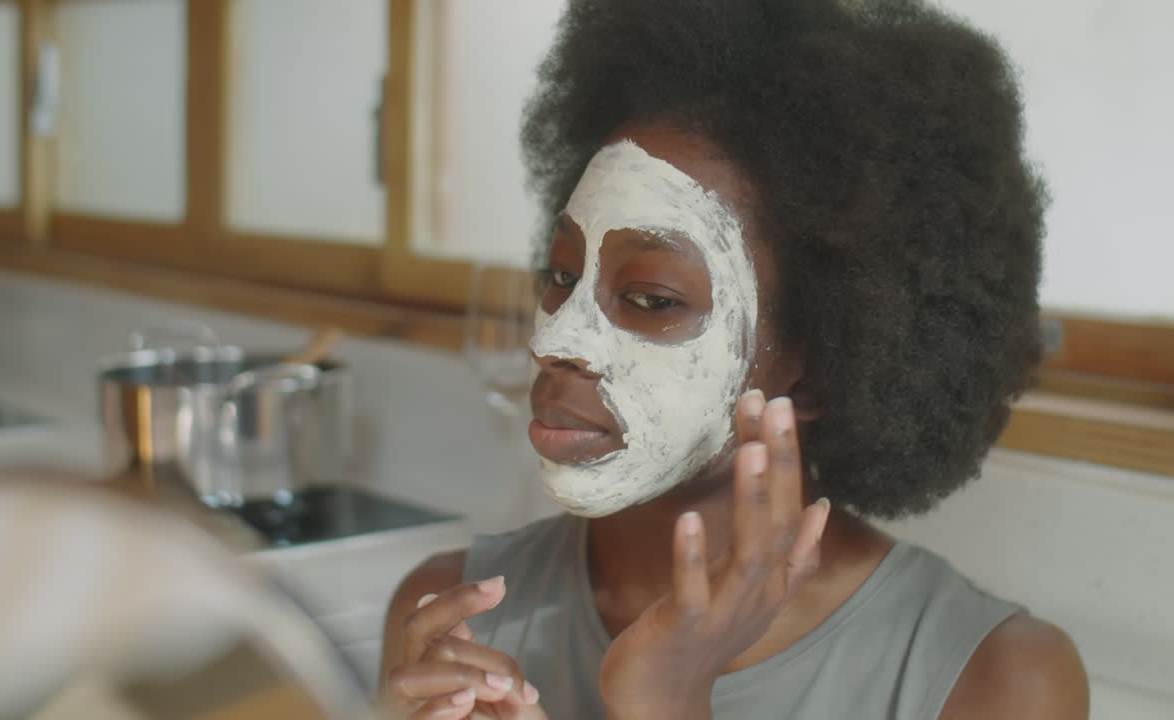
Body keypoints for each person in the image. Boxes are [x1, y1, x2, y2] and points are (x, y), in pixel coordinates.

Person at [379, 0, 1089, 718]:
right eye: (561, 278)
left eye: (651, 298)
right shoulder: (444, 623)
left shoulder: (999, 681)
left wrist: (669, 700)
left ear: (810, 368)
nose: (556, 338)